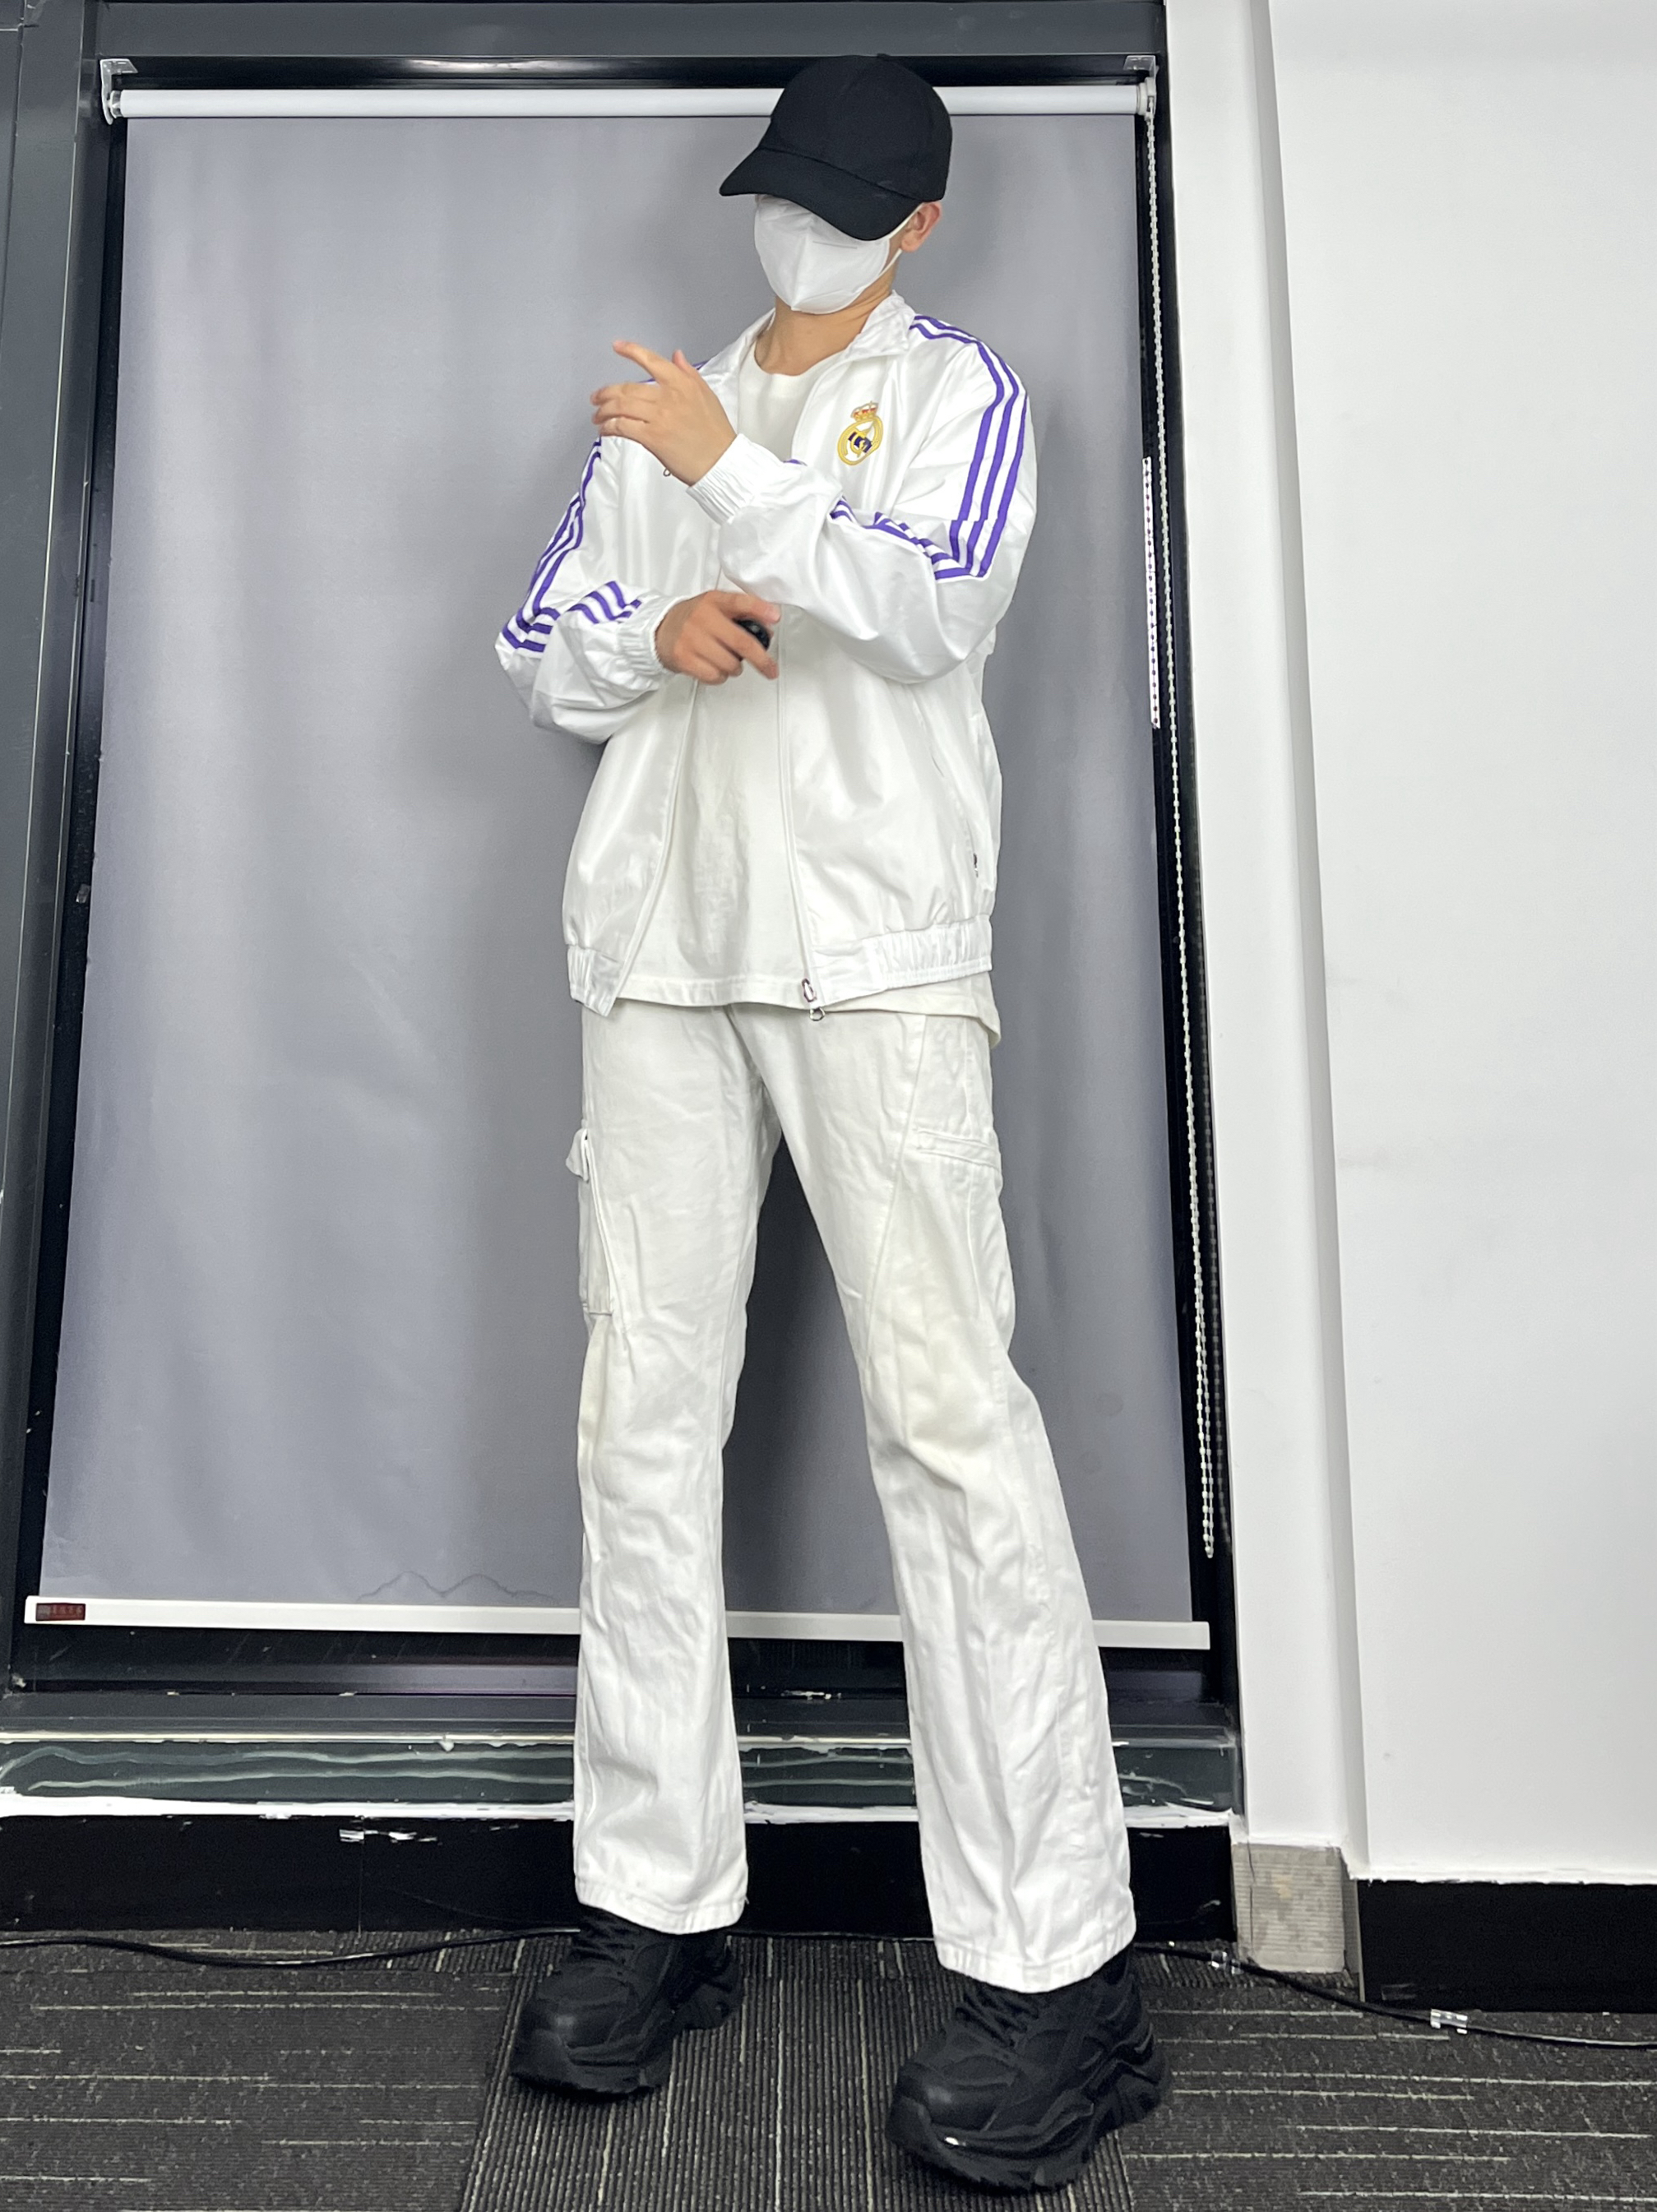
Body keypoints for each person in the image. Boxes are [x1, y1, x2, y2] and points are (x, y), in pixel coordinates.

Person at [494, 53, 1167, 2192]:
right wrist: (657, 628)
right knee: (639, 1421)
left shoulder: (961, 396)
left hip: (876, 955)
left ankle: (1057, 1964)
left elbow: (935, 600)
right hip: (658, 952)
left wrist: (739, 477)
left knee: (950, 1430)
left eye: (843, 208)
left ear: (917, 226)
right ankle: (655, 1901)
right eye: (784, 194)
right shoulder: (658, 401)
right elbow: (542, 648)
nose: (799, 233)